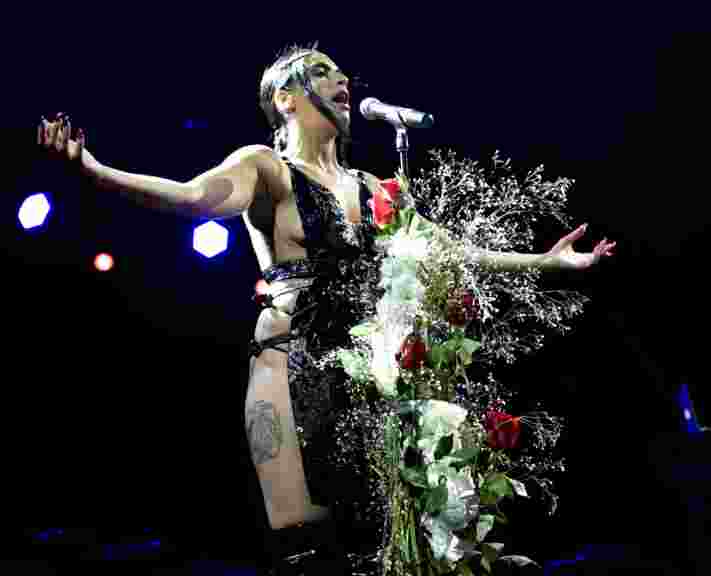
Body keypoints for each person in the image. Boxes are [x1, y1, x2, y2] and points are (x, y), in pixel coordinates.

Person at [36, 44, 615, 574]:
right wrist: (93, 170)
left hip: (367, 374)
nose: (341, 81)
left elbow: (448, 250)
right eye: (321, 72)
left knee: (382, 538)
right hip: (291, 363)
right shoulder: (266, 167)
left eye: (342, 73)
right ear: (284, 99)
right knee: (310, 548)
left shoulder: (375, 189)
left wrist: (545, 261)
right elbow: (193, 198)